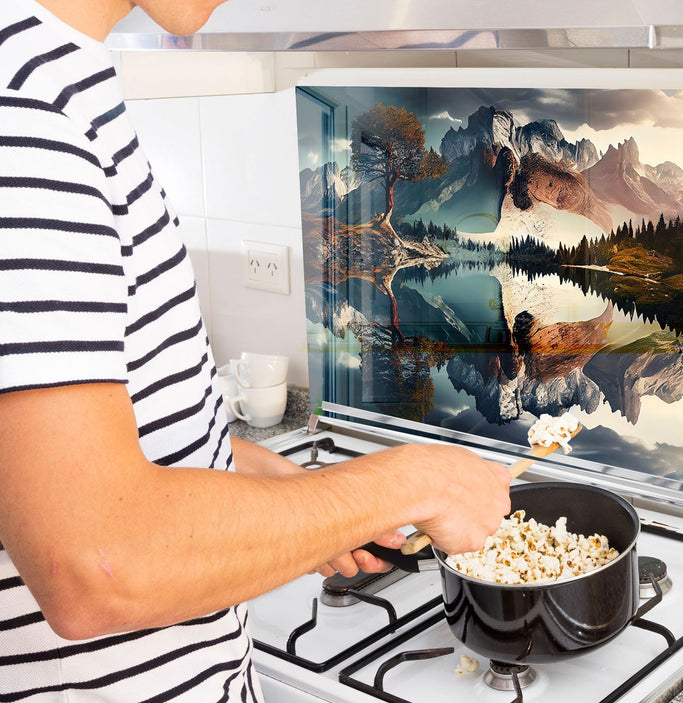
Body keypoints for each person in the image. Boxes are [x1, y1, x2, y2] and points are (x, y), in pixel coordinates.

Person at [0, 0, 512, 699]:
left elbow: (88, 452)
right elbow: (95, 563)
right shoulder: (24, 116)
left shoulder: (54, 81)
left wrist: (300, 499)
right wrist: (415, 480)